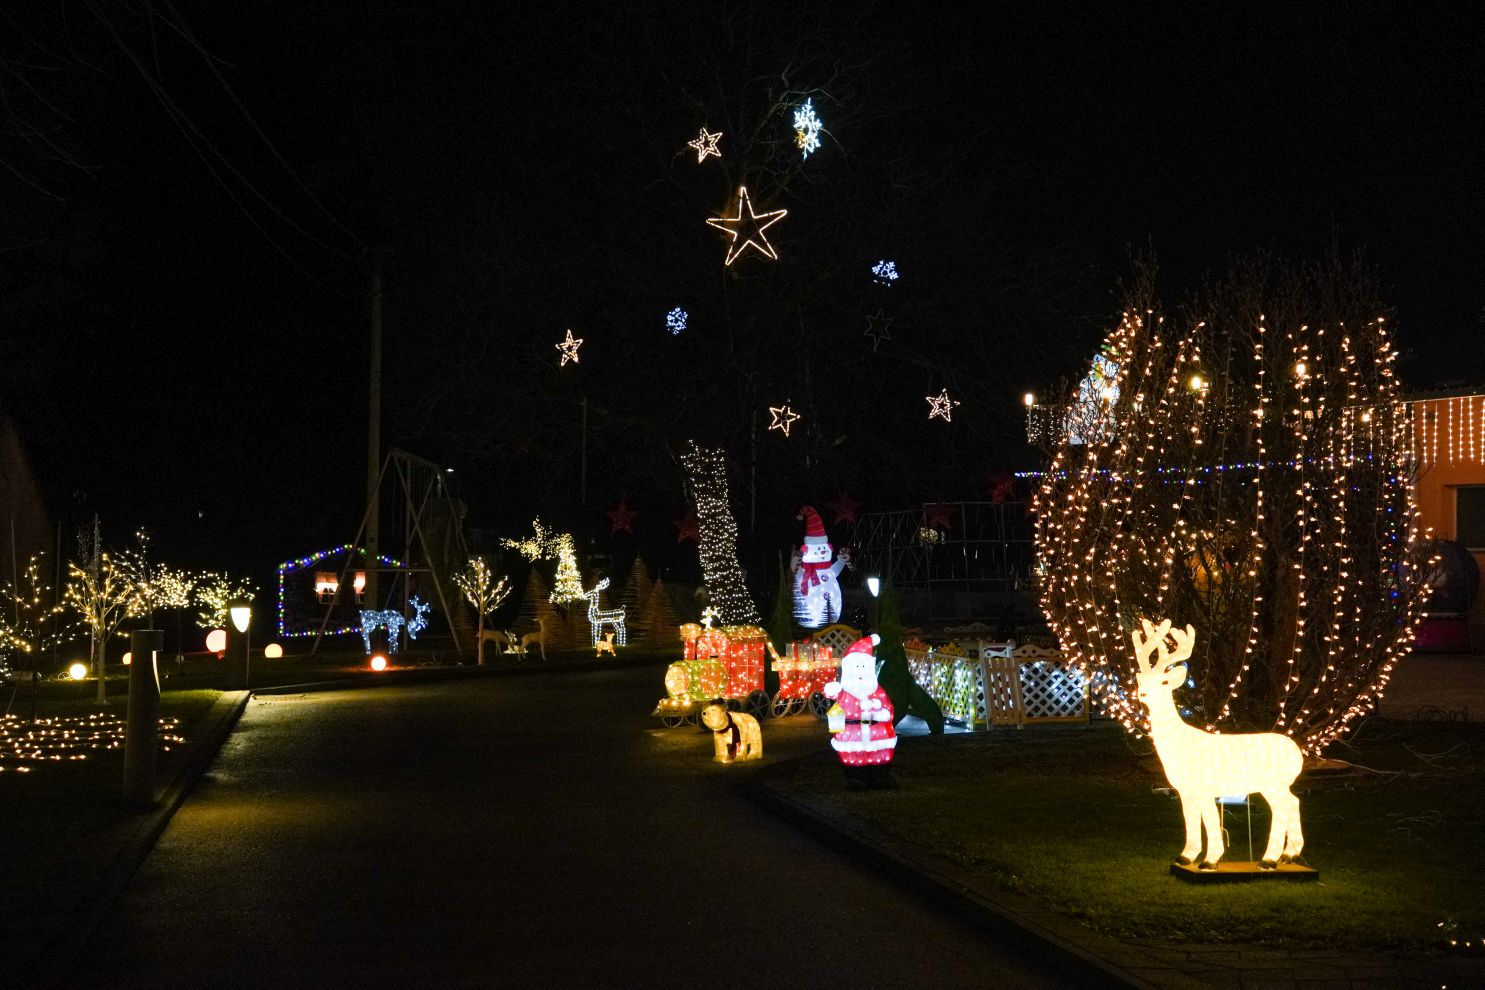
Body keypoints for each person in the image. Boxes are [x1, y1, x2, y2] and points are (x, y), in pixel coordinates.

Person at [823, 634, 896, 789]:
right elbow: (832, 694)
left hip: (878, 736)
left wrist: (879, 713)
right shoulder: (844, 692)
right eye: (857, 667)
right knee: (854, 758)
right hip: (851, 737)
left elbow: (889, 711)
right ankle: (855, 778)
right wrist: (831, 690)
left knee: (879, 756)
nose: (860, 672)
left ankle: (881, 777)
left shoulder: (878, 691)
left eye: (864, 667)